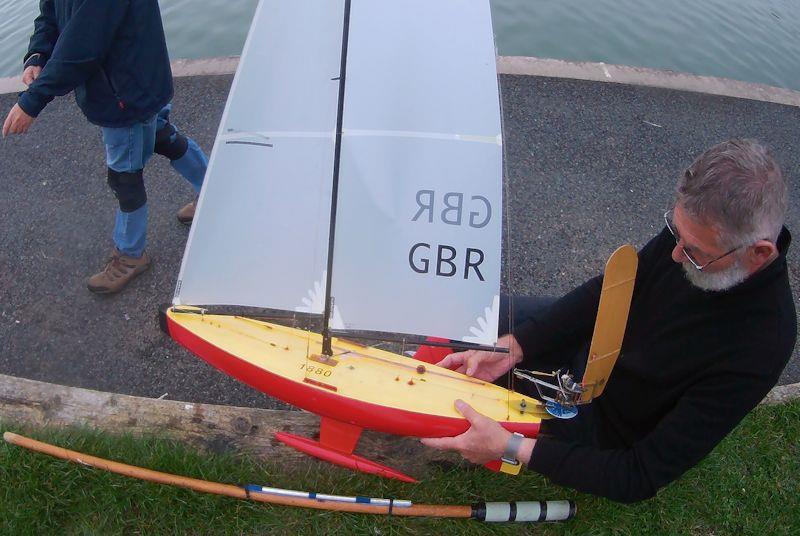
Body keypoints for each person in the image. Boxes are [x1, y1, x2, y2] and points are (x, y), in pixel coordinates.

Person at [421, 139, 796, 503]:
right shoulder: (694, 236)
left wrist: (510, 446)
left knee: (456, 415)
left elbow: (638, 475)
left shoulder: (761, 343)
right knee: (472, 320)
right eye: (675, 234)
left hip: (606, 419)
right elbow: (612, 291)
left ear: (759, 253)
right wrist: (517, 345)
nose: (677, 255)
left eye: (695, 253)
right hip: (591, 344)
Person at [2, 0, 208, 294]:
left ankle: (130, 255)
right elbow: (50, 12)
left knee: (125, 176)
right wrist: (37, 54)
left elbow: (82, 44)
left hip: (126, 92)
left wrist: (32, 101)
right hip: (131, 83)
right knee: (162, 137)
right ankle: (213, 193)